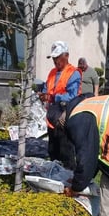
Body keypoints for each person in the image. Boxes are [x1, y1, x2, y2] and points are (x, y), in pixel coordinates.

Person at [38, 41, 82, 170]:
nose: (55, 60)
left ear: (66, 55)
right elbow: (47, 88)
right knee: (53, 151)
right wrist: (43, 94)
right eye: (54, 58)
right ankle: (55, 178)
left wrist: (52, 97)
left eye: (58, 57)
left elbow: (73, 96)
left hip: (64, 118)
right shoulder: (52, 72)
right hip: (52, 119)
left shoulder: (73, 73)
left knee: (66, 153)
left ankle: (69, 181)